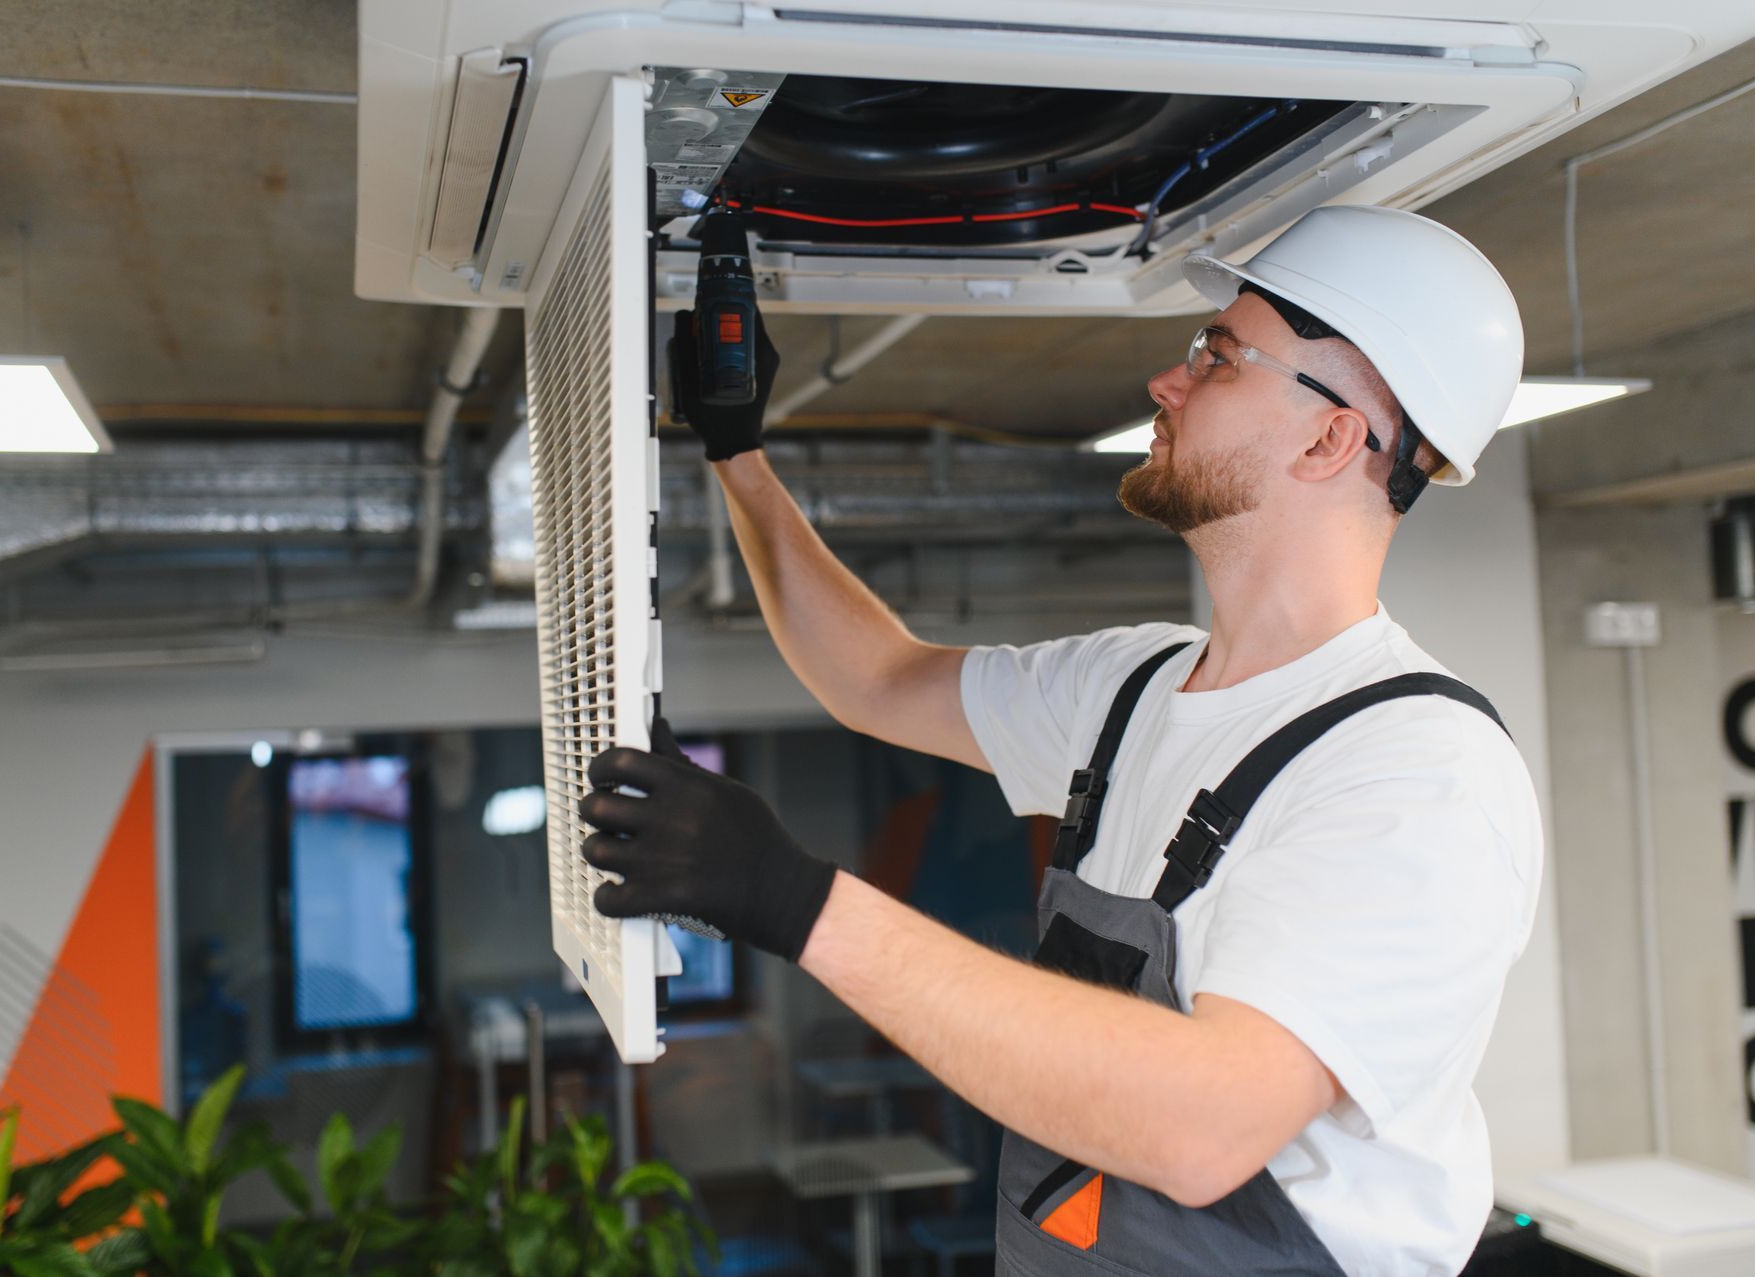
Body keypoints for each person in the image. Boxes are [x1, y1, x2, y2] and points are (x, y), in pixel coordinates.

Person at [578, 205, 1542, 1277]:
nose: (1165, 384)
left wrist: (792, 898)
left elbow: (1204, 1124)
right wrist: (737, 450)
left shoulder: (1417, 769)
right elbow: (878, 677)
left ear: (1329, 437)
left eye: (1218, 358)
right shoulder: (1129, 686)